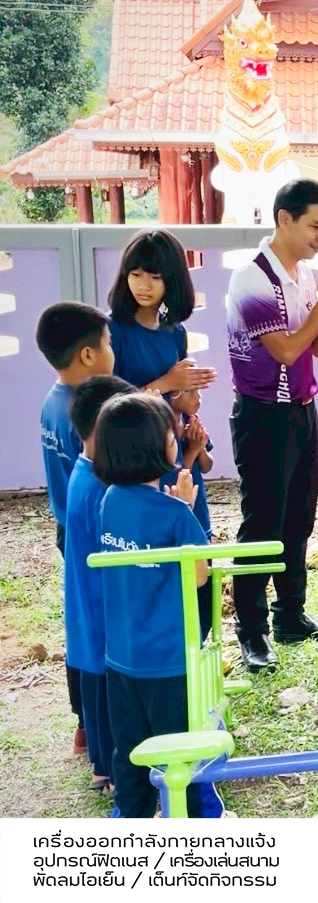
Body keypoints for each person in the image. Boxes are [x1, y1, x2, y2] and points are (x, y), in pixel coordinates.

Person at [226, 179, 318, 671]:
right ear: (284, 219)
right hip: (262, 415)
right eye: (315, 225)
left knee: (299, 516)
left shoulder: (305, 277)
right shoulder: (252, 279)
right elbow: (286, 349)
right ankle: (252, 631)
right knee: (262, 523)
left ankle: (291, 616)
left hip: (301, 409)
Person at [93, 392, 224, 818]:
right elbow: (199, 576)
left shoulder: (108, 500)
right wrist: (185, 508)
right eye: (172, 436)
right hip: (169, 661)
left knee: (130, 750)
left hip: (121, 656)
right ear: (159, 449)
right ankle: (195, 821)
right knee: (182, 752)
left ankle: (129, 818)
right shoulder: (175, 514)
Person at [36, 301, 117, 755]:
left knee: (82, 623)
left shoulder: (52, 401)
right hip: (89, 534)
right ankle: (93, 723)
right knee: (96, 628)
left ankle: (84, 725)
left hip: (67, 527)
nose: (112, 352)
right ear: (88, 355)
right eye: (108, 343)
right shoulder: (82, 417)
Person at [65, 374, 136, 792]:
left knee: (97, 683)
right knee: (108, 690)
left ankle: (102, 764)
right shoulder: (100, 490)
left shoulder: (84, 473)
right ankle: (109, 770)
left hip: (89, 613)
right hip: (103, 613)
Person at [106, 230, 217, 395]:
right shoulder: (109, 330)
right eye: (136, 275)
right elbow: (107, 404)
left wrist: (188, 394)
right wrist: (166, 383)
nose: (144, 285)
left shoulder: (176, 331)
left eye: (155, 277)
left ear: (173, 280)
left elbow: (177, 396)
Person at [171, 388, 214, 541]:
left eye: (198, 389)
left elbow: (207, 467)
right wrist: (193, 450)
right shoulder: (165, 433)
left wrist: (200, 447)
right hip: (179, 519)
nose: (198, 395)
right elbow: (177, 483)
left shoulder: (190, 419)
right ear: (172, 394)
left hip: (199, 516)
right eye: (190, 390)